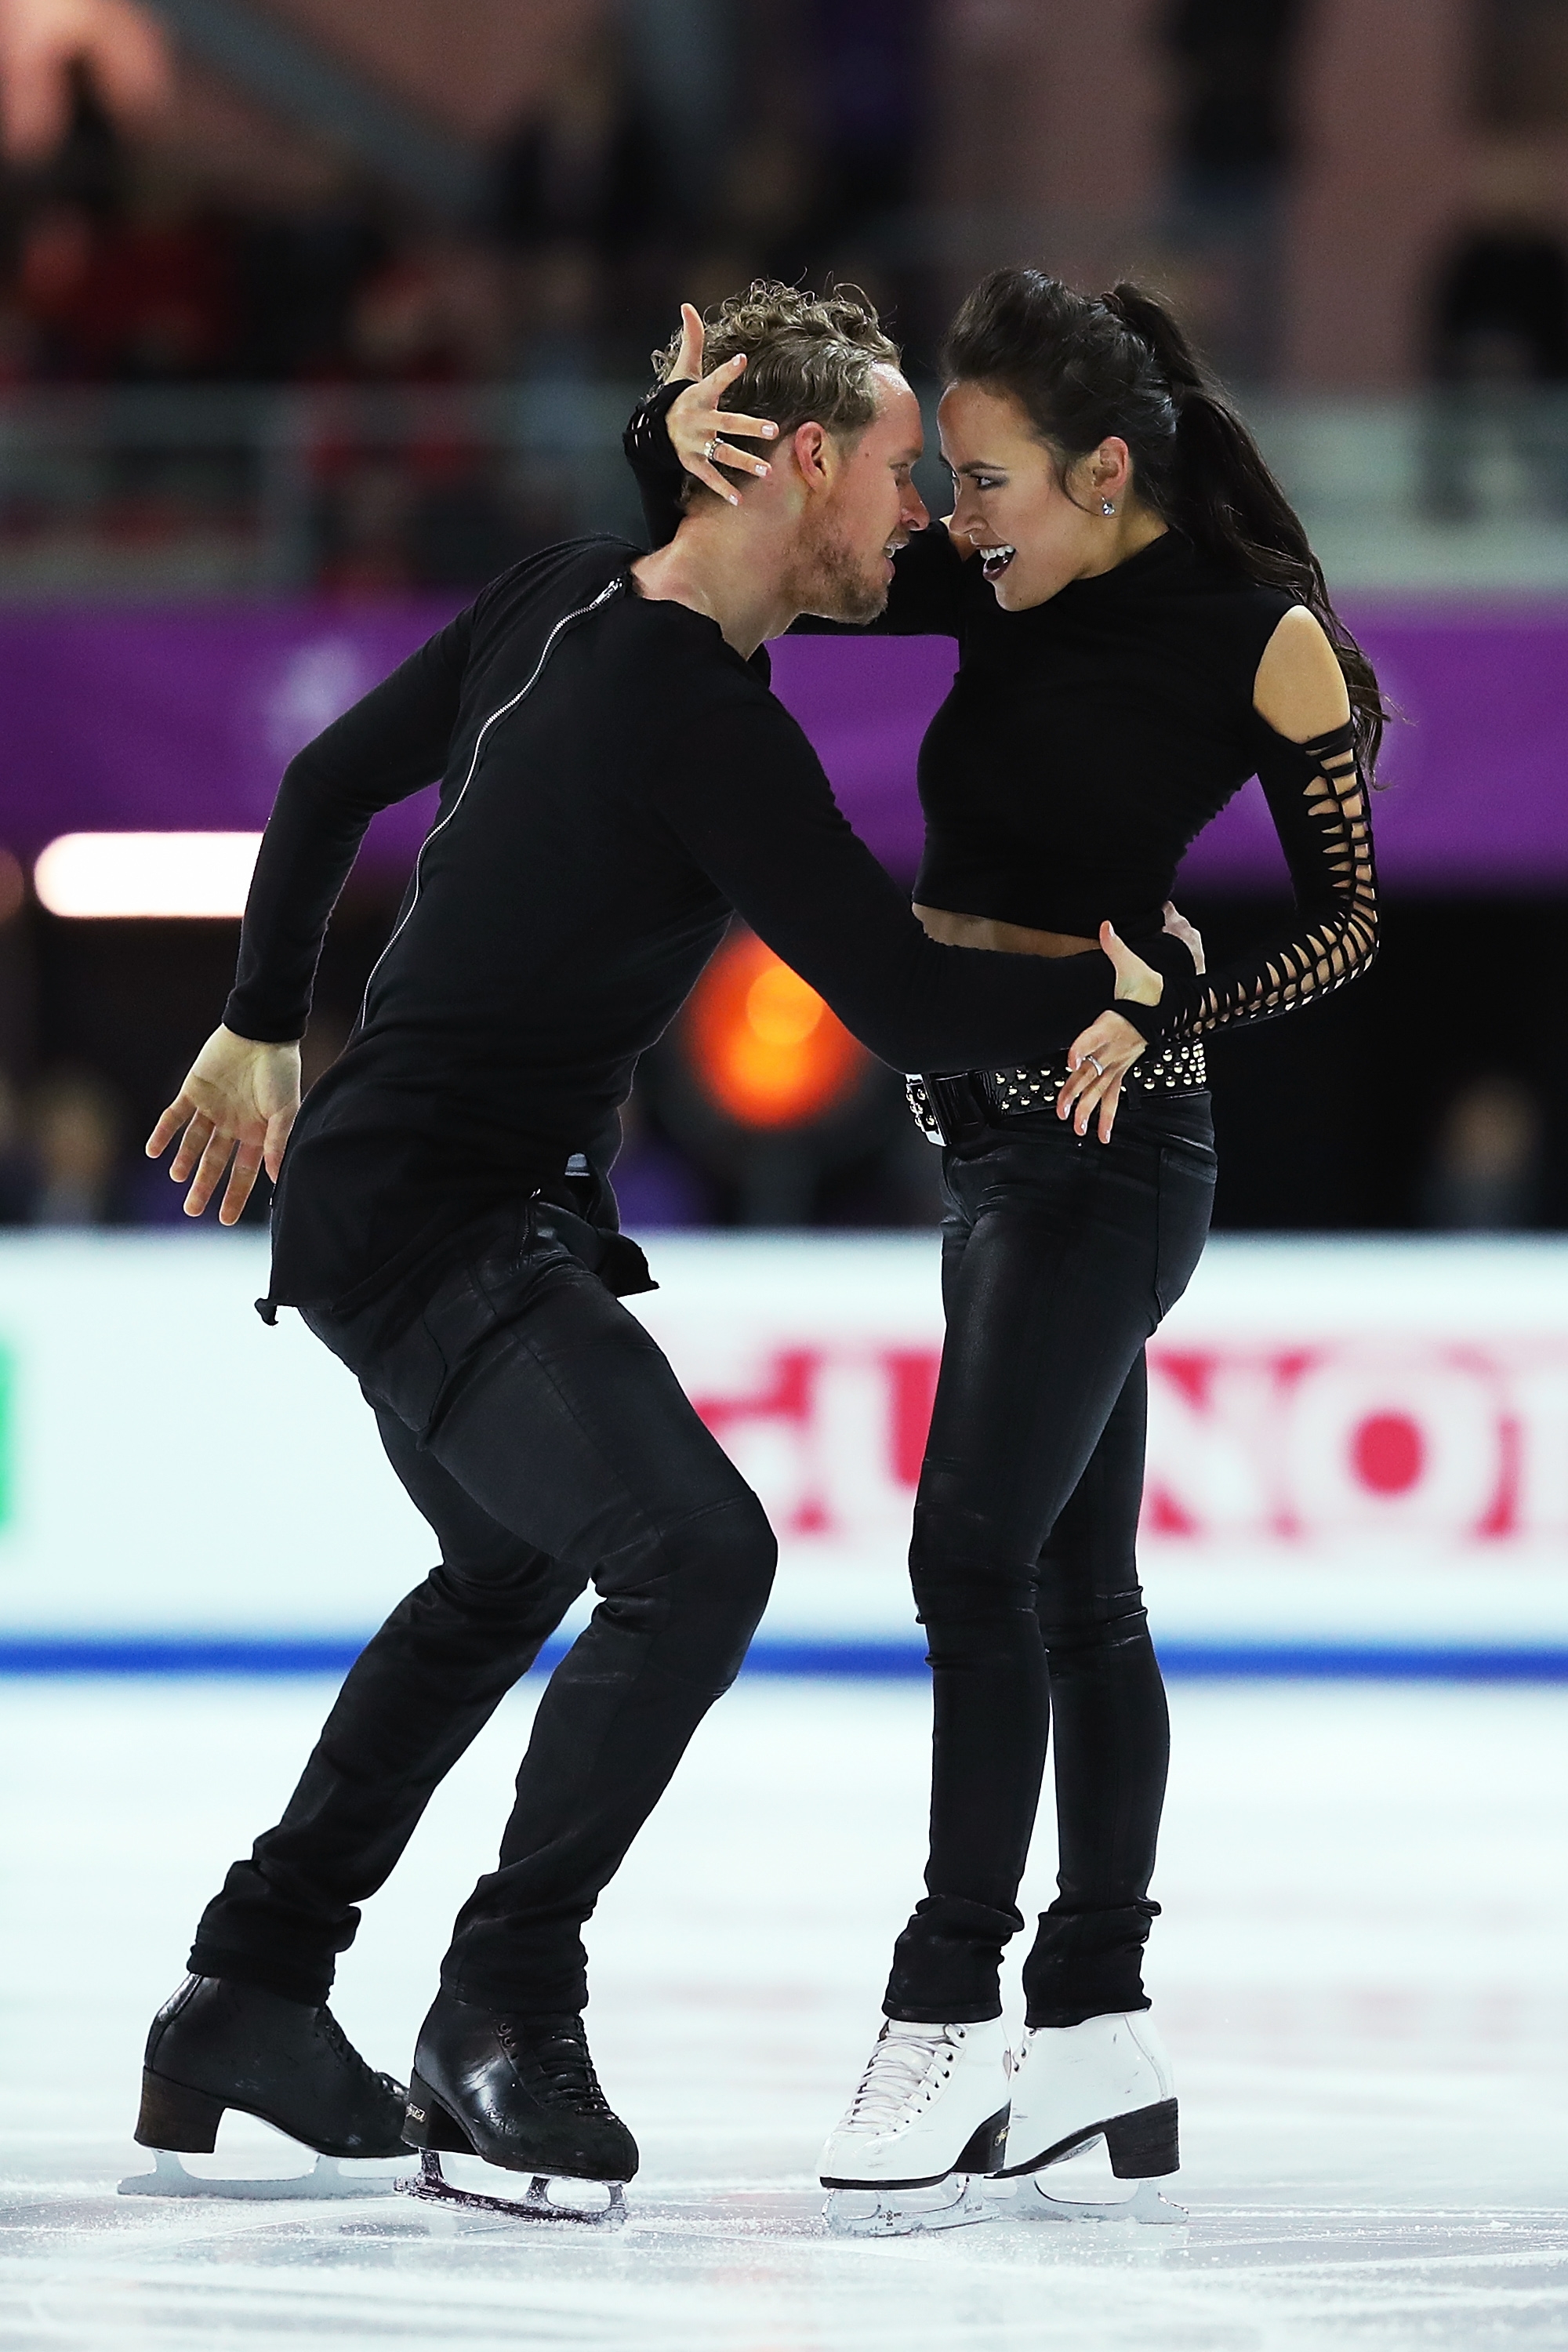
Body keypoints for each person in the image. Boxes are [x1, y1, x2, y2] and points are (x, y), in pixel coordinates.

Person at [134, 281, 1191, 2216]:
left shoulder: (565, 599)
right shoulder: (698, 721)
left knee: (503, 1573)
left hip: (421, 1192)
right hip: (443, 1210)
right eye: (898, 474)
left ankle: (252, 1989)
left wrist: (263, 1015)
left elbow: (323, 782)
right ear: (803, 460)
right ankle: (502, 2004)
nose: (921, 519)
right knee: (692, 1554)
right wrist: (1130, 992)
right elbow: (899, 1001)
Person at [629, 268, 1381, 2231]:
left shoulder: (1260, 638)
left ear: (1103, 473)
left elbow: (1348, 919)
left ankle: (947, 2002)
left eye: (984, 483)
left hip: (1113, 1145)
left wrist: (1179, 1002)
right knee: (1075, 1587)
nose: (953, 520)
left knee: (972, 1559)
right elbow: (787, 568)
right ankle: (1100, 2027)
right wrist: (672, 443)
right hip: (975, 1138)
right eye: (947, 485)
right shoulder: (991, 585)